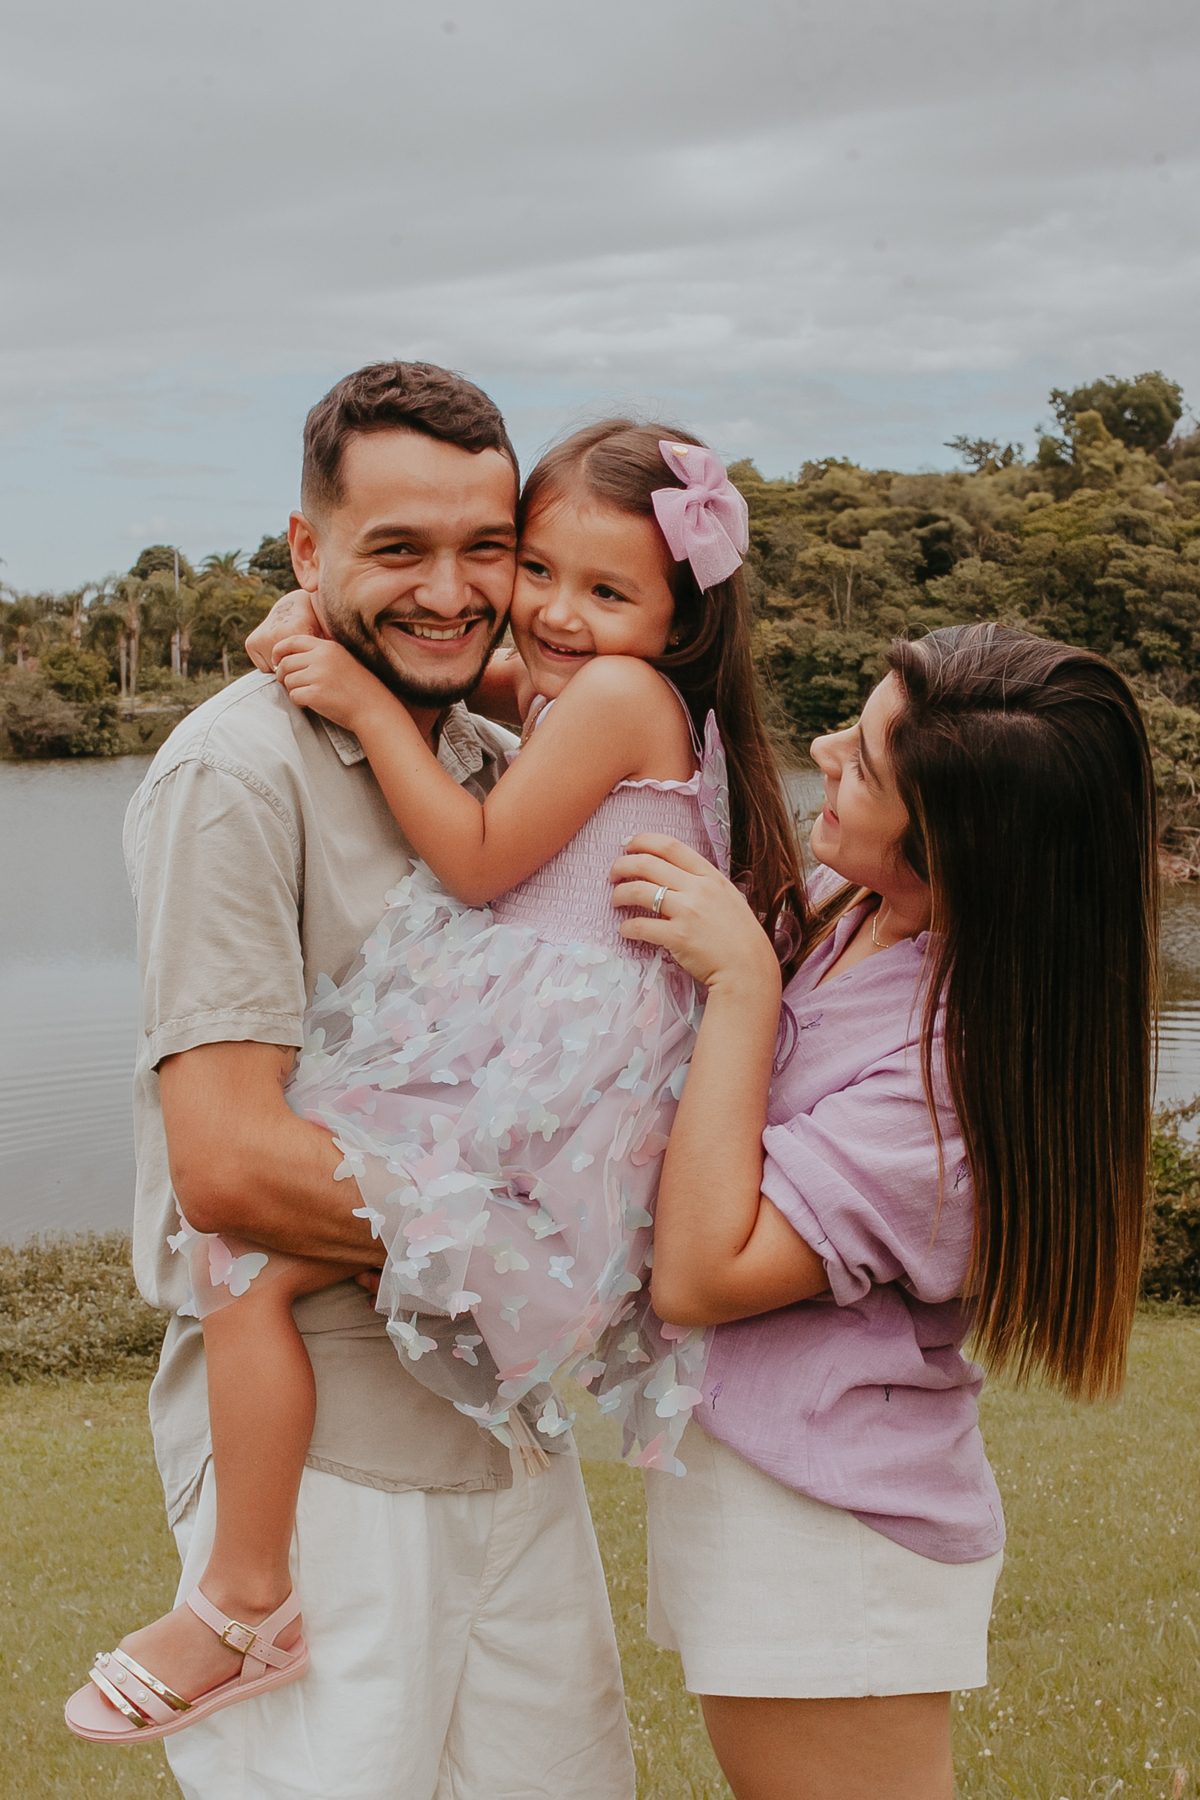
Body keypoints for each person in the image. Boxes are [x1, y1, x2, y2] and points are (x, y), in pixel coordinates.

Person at [65, 413, 807, 1776]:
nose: (481, 599)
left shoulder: (489, 738)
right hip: (352, 1464)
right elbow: (223, 1172)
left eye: (491, 551)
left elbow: (480, 845)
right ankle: (241, 1596)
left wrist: (352, 669)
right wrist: (534, 1246)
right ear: (306, 546)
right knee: (242, 1262)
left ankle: (238, 1596)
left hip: (495, 1435)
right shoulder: (240, 777)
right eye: (399, 549)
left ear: (672, 607)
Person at [607, 624, 1156, 1800]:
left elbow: (703, 1273)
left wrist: (742, 981)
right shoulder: (858, 911)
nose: (821, 754)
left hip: (827, 1531)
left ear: (955, 852)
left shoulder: (953, 1083)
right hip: (770, 1489)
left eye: (858, 761)